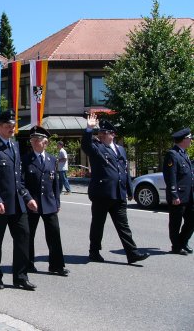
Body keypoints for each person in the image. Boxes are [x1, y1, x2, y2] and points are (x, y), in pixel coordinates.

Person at [0, 109, 37, 290]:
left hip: (17, 204)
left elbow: (18, 177)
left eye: (13, 126)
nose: (12, 129)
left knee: (24, 237)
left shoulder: (14, 146)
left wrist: (27, 197)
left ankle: (20, 276)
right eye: (8, 126)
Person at [82, 113, 150, 264]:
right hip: (102, 194)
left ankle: (132, 253)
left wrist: (130, 189)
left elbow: (124, 170)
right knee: (98, 224)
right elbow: (86, 146)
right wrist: (89, 129)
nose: (100, 135)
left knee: (123, 226)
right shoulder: (97, 147)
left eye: (103, 133)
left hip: (119, 193)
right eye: (99, 133)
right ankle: (94, 252)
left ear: (112, 135)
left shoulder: (120, 149)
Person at [22, 126, 69, 276]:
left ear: (45, 143)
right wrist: (28, 199)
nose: (34, 142)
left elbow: (55, 183)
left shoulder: (51, 159)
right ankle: (28, 264)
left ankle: (56, 265)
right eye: (33, 140)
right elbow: (21, 183)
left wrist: (57, 202)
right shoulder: (26, 160)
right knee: (28, 235)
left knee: (54, 234)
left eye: (38, 140)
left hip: (49, 202)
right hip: (32, 203)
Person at [162, 128, 193, 255]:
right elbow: (171, 176)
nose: (191, 140)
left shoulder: (184, 153)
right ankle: (176, 246)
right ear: (184, 140)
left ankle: (183, 241)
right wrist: (174, 194)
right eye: (189, 138)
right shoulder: (172, 154)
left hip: (189, 194)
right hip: (178, 195)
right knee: (176, 222)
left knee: (192, 220)